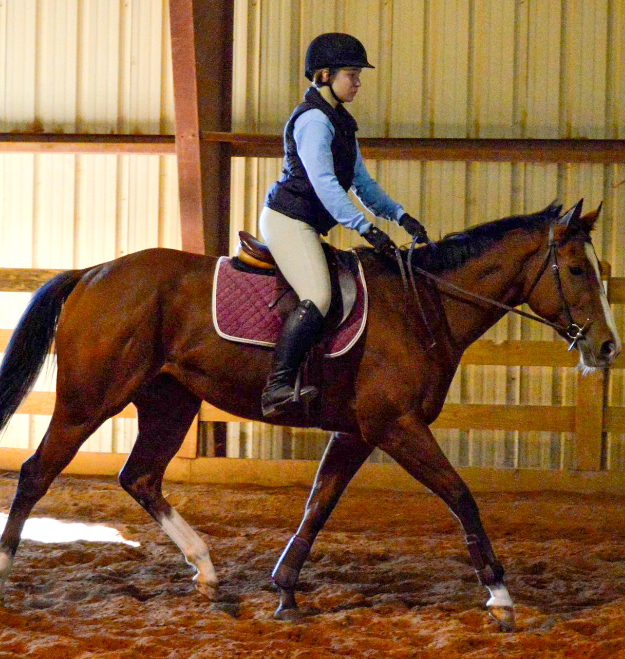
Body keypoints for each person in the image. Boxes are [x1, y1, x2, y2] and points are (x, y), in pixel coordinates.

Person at [259, 32, 428, 418]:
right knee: (317, 296)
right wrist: (365, 228)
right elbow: (324, 182)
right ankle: (278, 386)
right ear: (323, 75)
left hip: (306, 224)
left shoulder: (341, 122)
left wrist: (400, 216)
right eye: (351, 74)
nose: (358, 82)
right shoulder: (314, 121)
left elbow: (362, 184)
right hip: (288, 220)